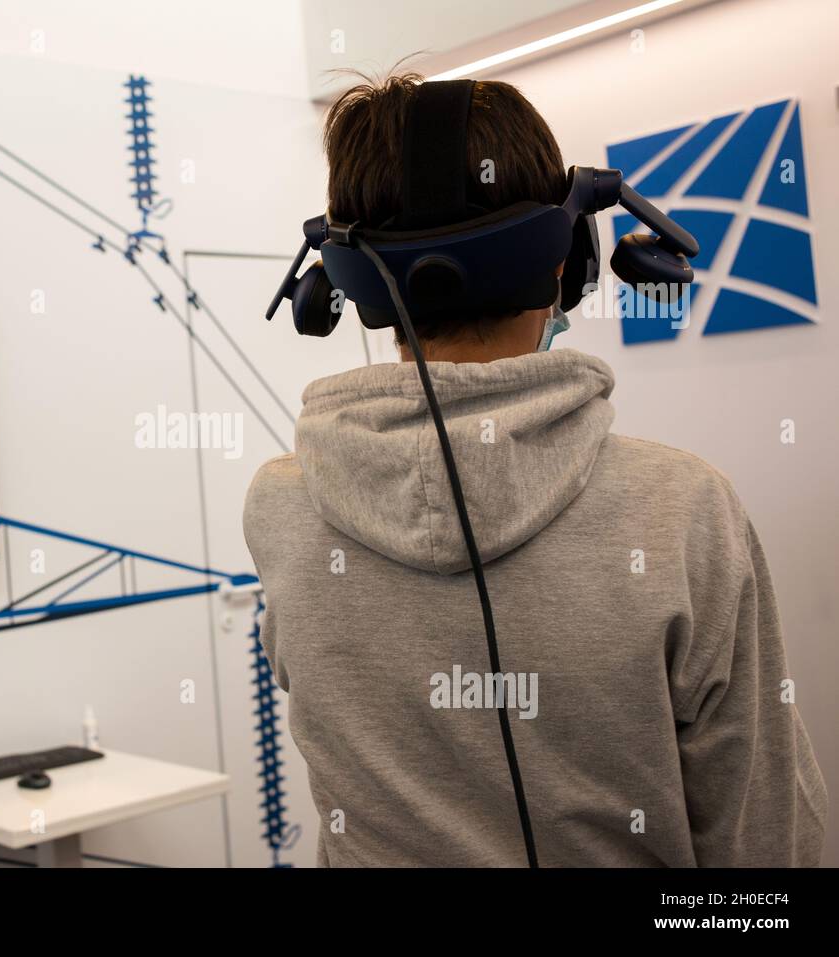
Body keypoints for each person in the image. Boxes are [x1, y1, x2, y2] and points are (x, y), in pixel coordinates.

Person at [242, 72, 827, 867]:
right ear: (565, 258)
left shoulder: (281, 509)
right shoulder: (682, 510)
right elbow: (768, 849)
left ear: (348, 282)